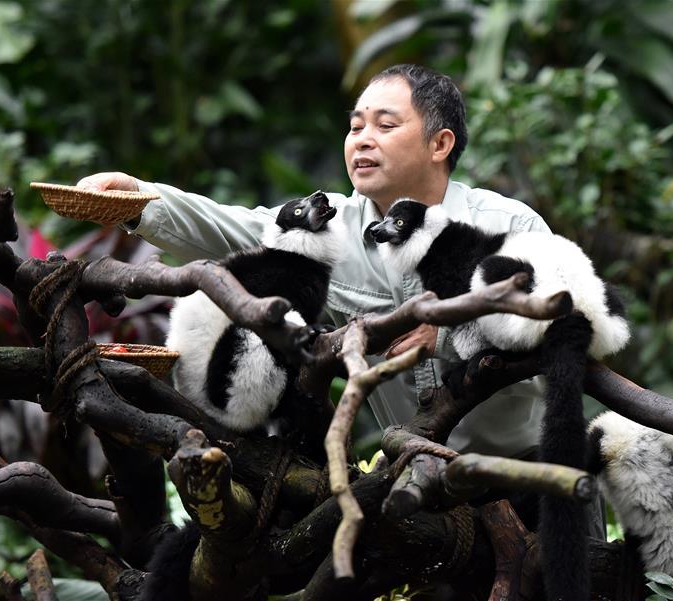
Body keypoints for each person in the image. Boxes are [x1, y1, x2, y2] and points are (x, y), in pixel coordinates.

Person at [79, 64, 601, 533]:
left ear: (439, 145)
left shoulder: (507, 225)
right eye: (355, 127)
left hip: (537, 473)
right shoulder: (334, 228)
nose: (361, 140)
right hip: (419, 484)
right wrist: (138, 198)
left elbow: (560, 341)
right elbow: (232, 227)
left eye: (385, 125)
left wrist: (452, 335)